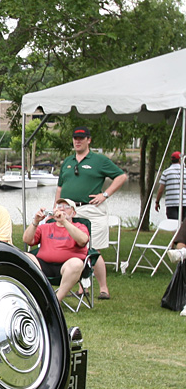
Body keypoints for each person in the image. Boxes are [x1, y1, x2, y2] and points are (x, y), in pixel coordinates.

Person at [55, 126, 127, 299]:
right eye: (75, 138)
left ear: (89, 140)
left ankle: (103, 288)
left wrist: (105, 194)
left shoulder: (99, 160)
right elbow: (59, 187)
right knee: (75, 248)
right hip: (70, 210)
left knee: (93, 249)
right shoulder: (68, 161)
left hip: (91, 209)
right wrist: (56, 207)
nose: (77, 141)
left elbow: (121, 176)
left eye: (81, 138)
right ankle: (82, 288)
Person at [23, 199, 90, 301]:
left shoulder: (80, 227)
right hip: (43, 266)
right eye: (59, 206)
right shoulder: (45, 227)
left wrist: (64, 222)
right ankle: (34, 298)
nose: (62, 209)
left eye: (67, 207)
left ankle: (55, 302)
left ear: (74, 213)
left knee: (76, 263)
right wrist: (35, 221)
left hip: (67, 267)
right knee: (24, 257)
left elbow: (83, 241)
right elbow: (27, 240)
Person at [155, 151, 183, 222]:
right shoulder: (185, 171)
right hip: (184, 203)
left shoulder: (166, 172)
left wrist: (157, 202)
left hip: (171, 203)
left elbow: (161, 190)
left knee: (173, 225)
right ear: (180, 160)